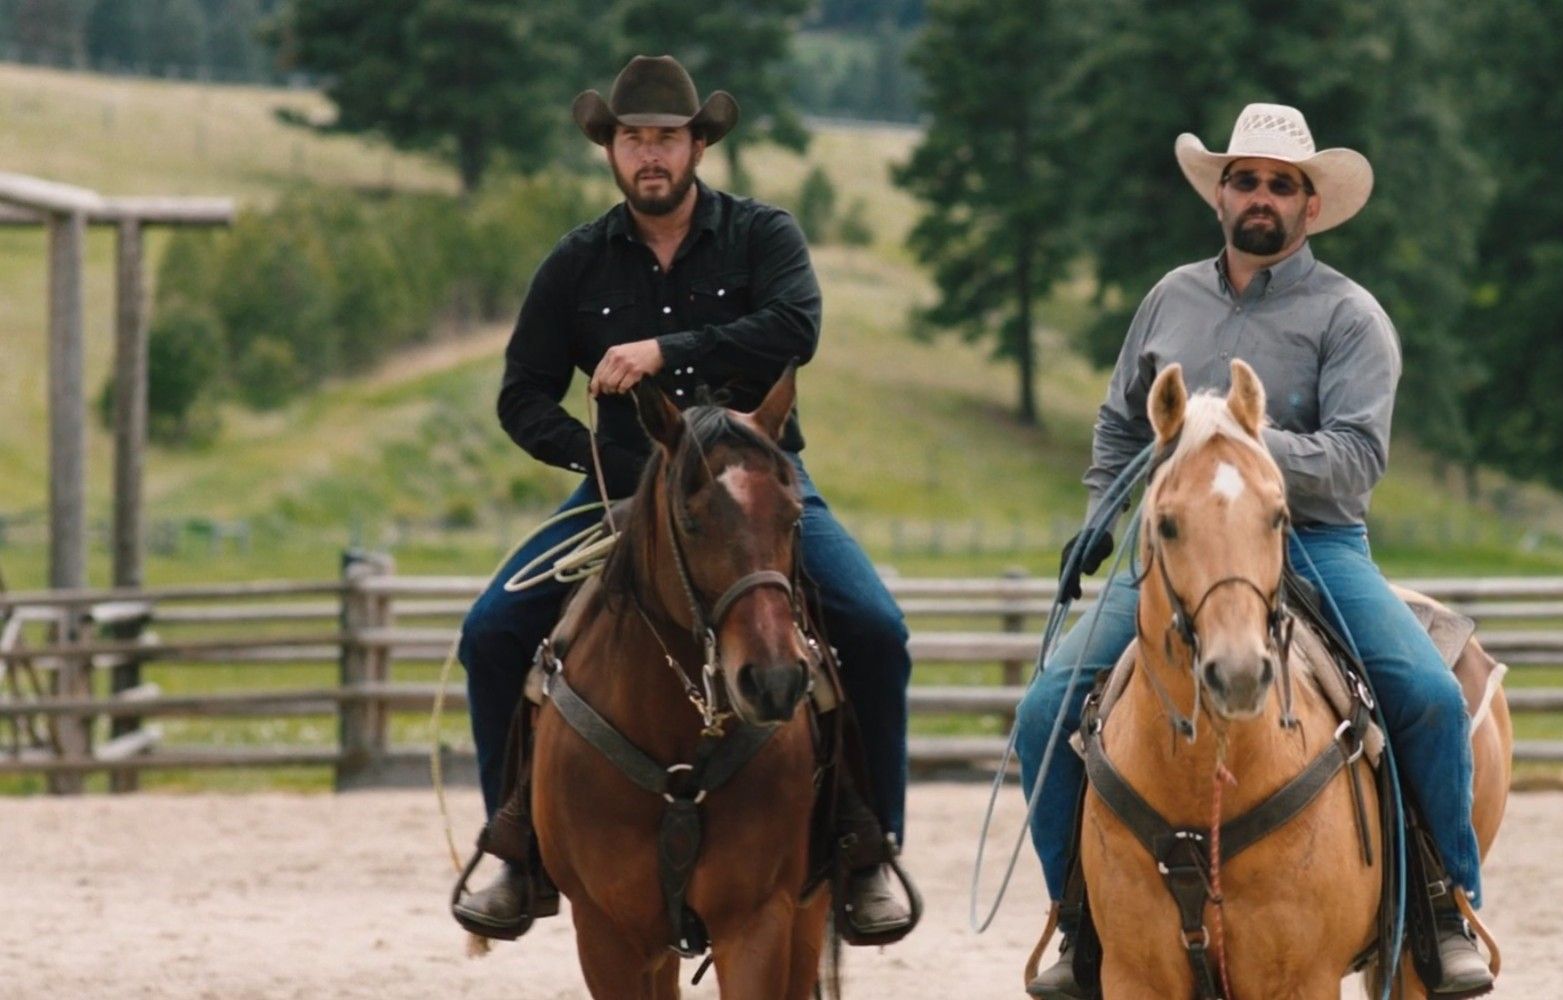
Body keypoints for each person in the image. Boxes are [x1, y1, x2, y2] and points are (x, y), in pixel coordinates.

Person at [1018, 103, 1494, 997]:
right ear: (1221, 195)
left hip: (1309, 541)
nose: (1262, 197)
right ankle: (1083, 928)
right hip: (1178, 548)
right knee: (1045, 712)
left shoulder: (1351, 317)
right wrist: (1101, 510)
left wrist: (1229, 444)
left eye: (1282, 184)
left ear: (1311, 205)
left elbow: (1357, 458)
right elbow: (1122, 421)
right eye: (1246, 180)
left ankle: (1439, 909)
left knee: (1427, 697)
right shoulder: (1170, 297)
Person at [450, 55, 913, 941]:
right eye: (633, 139)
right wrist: (601, 460)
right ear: (611, 152)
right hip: (622, 491)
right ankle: (514, 841)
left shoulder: (761, 235)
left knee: (874, 629)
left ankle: (866, 846)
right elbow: (521, 395)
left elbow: (796, 327)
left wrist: (664, 351)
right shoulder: (578, 262)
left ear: (698, 145)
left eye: (667, 137)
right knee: (492, 631)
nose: (650, 154)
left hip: (758, 485)